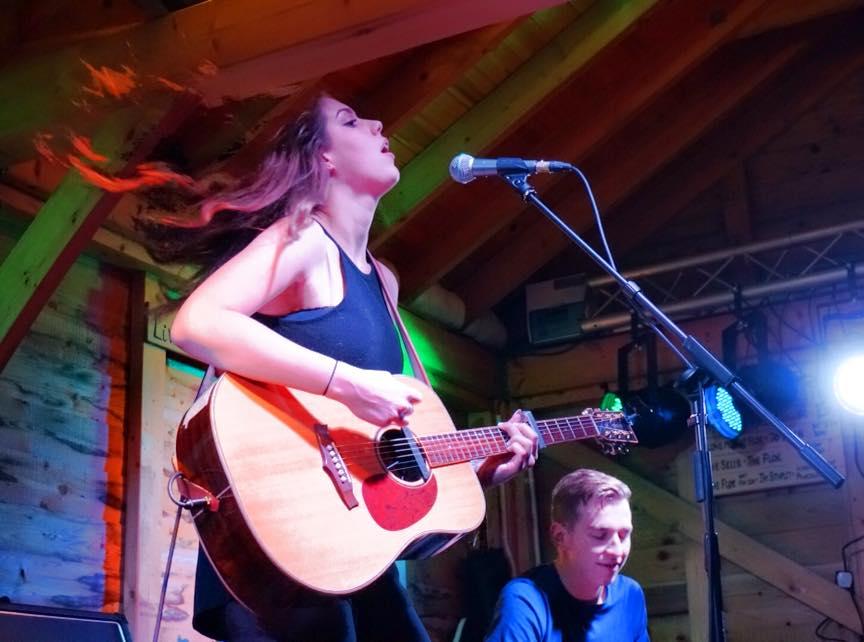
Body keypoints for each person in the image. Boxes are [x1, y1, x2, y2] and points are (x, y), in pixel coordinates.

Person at [142, 95, 540, 641]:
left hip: (353, 552)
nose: (378, 123)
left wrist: (478, 469)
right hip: (284, 541)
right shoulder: (303, 240)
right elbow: (198, 324)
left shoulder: (384, 281)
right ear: (322, 158)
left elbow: (385, 456)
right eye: (351, 121)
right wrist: (347, 384)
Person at [484, 468, 650, 642]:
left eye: (624, 535)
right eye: (600, 535)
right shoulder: (525, 600)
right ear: (560, 537)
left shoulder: (630, 595)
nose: (617, 550)